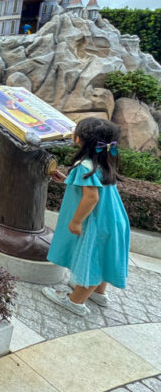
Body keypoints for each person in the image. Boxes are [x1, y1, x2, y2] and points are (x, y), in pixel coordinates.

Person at [42, 117, 130, 316]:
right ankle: (99, 293)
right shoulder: (103, 161)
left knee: (93, 260)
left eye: (76, 130)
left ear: (81, 139)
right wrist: (68, 180)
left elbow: (91, 197)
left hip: (98, 221)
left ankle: (76, 301)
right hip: (114, 220)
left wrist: (76, 221)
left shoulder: (84, 165)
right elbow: (94, 186)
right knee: (104, 255)